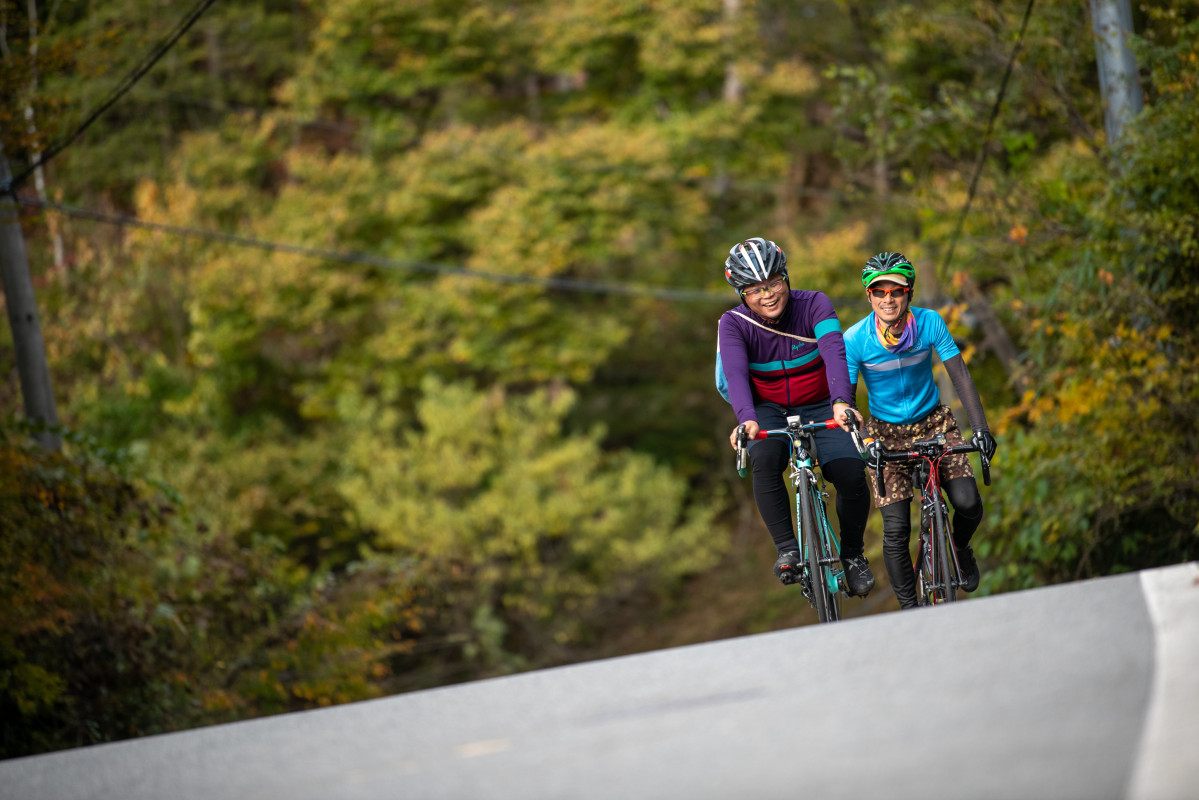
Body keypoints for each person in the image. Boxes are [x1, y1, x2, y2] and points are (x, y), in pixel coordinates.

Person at [716, 237, 875, 596]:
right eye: (755, 289)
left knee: (850, 471)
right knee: (765, 456)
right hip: (768, 409)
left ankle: (852, 556)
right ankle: (788, 548)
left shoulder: (814, 303)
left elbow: (835, 352)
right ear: (741, 293)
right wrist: (746, 418)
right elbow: (737, 374)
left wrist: (841, 401)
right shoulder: (733, 324)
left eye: (773, 283)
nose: (767, 294)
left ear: (786, 277)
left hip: (821, 401)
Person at [842, 251, 998, 609]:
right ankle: (910, 612)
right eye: (878, 292)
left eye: (895, 291)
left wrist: (981, 428)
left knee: (968, 502)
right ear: (869, 296)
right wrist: (865, 441)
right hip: (884, 435)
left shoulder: (930, 323)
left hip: (935, 424)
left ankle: (959, 548)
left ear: (908, 293)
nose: (887, 299)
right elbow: (847, 402)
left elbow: (960, 374)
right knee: (895, 531)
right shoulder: (855, 339)